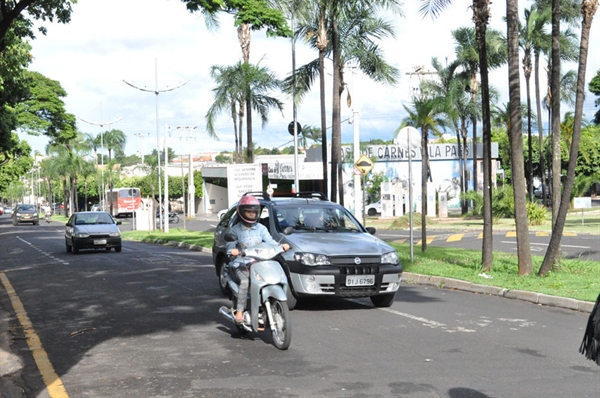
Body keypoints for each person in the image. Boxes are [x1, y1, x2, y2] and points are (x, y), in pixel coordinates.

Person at [227, 195, 290, 324]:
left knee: (276, 274)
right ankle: (240, 311)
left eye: (254, 212)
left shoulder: (261, 228)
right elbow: (230, 248)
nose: (251, 214)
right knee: (245, 281)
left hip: (259, 262)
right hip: (241, 264)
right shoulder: (234, 230)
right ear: (241, 212)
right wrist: (233, 251)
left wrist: (281, 246)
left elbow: (270, 242)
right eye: (248, 211)